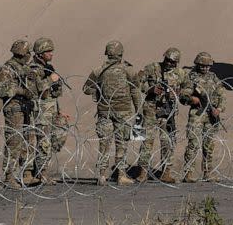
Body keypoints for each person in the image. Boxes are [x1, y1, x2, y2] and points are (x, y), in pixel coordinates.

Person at [82, 41, 141, 186]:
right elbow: (135, 90)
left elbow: (86, 89)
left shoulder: (98, 71)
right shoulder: (129, 70)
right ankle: (121, 175)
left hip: (105, 111)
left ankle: (102, 176)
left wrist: (99, 90)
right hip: (124, 112)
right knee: (122, 144)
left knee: (104, 144)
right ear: (121, 54)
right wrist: (138, 110)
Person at [137, 47, 186, 184]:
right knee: (147, 142)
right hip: (150, 110)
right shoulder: (152, 68)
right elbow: (137, 82)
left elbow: (188, 88)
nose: (169, 63)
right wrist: (149, 89)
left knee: (168, 143)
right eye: (167, 60)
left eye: (172, 62)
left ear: (177, 63)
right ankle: (143, 173)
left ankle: (166, 173)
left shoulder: (181, 73)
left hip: (168, 112)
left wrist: (177, 92)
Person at [25, 37, 70, 185]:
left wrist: (59, 111)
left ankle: (42, 171)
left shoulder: (48, 68)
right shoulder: (33, 70)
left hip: (50, 110)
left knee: (53, 140)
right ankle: (41, 174)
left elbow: (53, 94)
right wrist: (51, 79)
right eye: (48, 51)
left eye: (51, 51)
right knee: (43, 143)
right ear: (39, 53)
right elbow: (36, 91)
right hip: (40, 112)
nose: (51, 54)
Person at [0, 40, 40, 188]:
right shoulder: (7, 69)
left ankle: (26, 174)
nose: (29, 56)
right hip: (14, 109)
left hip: (25, 108)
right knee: (14, 142)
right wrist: (22, 91)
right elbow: (3, 90)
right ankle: (9, 176)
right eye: (28, 53)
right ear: (23, 53)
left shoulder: (25, 68)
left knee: (28, 141)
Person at [180, 52, 226, 183]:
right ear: (197, 64)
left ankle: (207, 172)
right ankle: (188, 173)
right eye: (202, 66)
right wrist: (191, 99)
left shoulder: (214, 77)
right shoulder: (191, 78)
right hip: (197, 114)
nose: (205, 68)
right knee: (193, 143)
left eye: (207, 66)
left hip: (212, 116)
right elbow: (183, 95)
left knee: (209, 145)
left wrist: (219, 109)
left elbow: (221, 95)